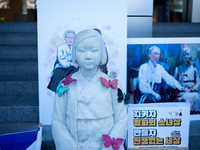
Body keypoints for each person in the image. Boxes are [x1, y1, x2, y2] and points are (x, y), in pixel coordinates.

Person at [52, 29, 128, 150]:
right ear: (75, 53)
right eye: (82, 50)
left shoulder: (113, 86)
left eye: (94, 50)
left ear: (102, 53)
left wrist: (108, 147)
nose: (88, 56)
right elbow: (58, 121)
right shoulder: (64, 85)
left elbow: (122, 119)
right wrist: (69, 146)